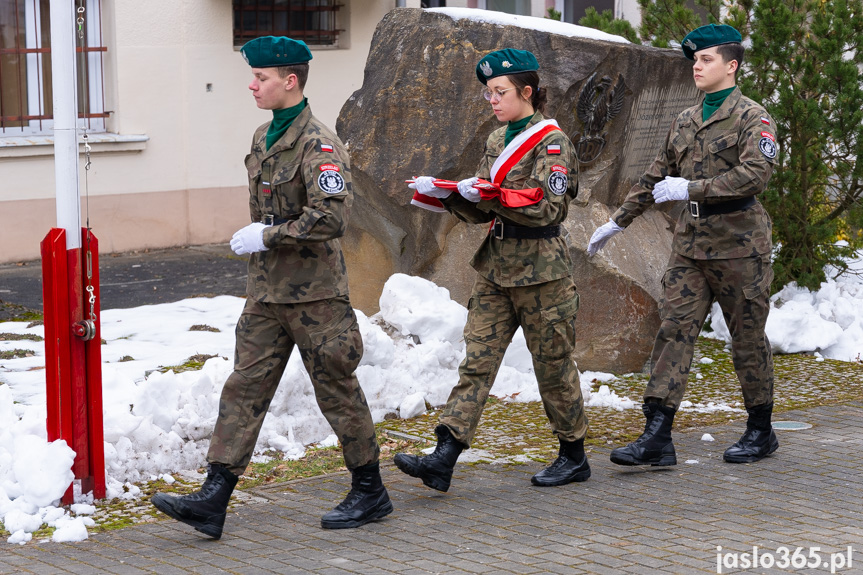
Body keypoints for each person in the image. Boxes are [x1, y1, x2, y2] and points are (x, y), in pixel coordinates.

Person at [151, 36, 391, 538]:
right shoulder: (264, 136)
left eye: (261, 78)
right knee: (244, 388)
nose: (252, 84)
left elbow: (330, 218)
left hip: (315, 297)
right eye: (254, 76)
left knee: (337, 389)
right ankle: (214, 497)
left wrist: (268, 234)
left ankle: (370, 490)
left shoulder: (318, 144)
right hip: (266, 293)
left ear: (290, 80)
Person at [395, 48, 590, 491]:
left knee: (553, 366)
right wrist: (449, 195)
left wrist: (490, 194)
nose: (493, 101)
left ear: (527, 92)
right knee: (476, 363)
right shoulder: (496, 141)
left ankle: (573, 454)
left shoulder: (553, 144)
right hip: (497, 269)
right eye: (488, 93)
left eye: (500, 92)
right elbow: (484, 211)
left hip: (543, 273)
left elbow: (548, 206)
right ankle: (444, 456)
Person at [588, 24, 779, 466]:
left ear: (731, 66)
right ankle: (657, 433)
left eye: (706, 59)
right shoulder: (684, 119)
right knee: (674, 330)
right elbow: (655, 176)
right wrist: (619, 220)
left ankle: (760, 429)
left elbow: (756, 174)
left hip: (740, 245)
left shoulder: (753, 117)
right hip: (690, 246)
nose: (697, 65)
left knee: (747, 338)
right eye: (694, 59)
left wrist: (691, 187)